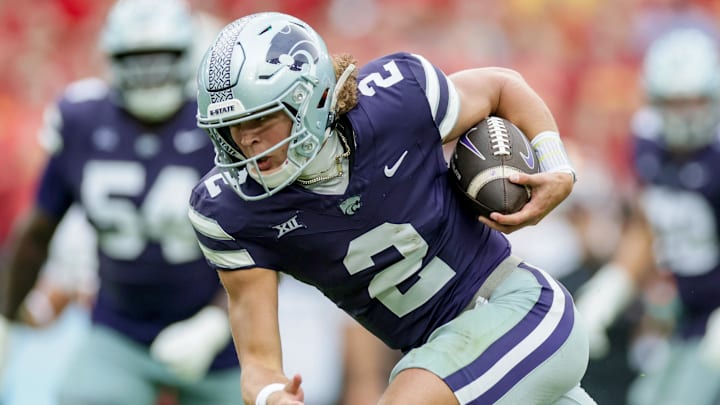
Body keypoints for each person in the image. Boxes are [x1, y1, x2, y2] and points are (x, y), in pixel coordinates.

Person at [188, 11, 594, 405]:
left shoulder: (397, 100)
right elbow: (258, 364)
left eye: (261, 120)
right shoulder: (230, 210)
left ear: (309, 100)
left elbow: (501, 87)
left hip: (521, 310)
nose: (245, 141)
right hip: (442, 357)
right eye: (231, 127)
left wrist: (556, 164)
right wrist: (270, 396)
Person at [0, 0, 242, 404]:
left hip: (222, 331)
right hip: (119, 330)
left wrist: (215, 324)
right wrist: (6, 320)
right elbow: (38, 230)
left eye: (161, 58)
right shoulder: (82, 120)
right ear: (111, 58)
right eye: (136, 59)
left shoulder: (221, 123)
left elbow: (267, 241)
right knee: (83, 396)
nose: (149, 72)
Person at [574, 27, 720, 405]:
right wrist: (614, 286)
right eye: (674, 103)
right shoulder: (648, 142)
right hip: (690, 316)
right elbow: (647, 222)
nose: (685, 115)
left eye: (695, 102)